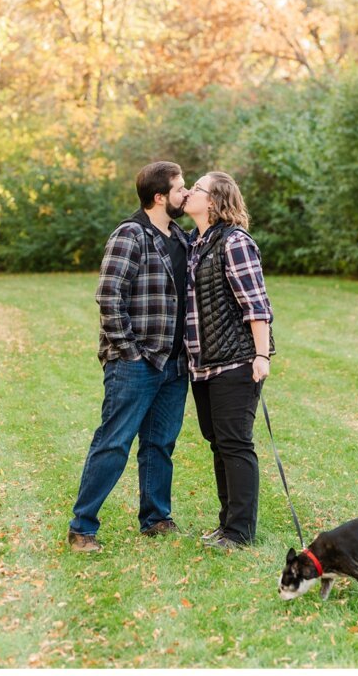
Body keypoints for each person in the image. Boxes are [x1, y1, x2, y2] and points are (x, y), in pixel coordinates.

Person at [67, 161, 191, 552]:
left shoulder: (181, 238)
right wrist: (130, 352)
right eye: (180, 188)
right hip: (135, 362)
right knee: (114, 442)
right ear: (160, 196)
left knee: (160, 443)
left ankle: (155, 518)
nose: (185, 194)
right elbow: (109, 295)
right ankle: (82, 527)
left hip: (174, 363)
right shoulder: (130, 235)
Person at [182, 171, 274, 550]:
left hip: (235, 360)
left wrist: (262, 355)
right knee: (218, 443)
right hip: (203, 365)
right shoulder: (196, 243)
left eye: (197, 189)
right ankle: (226, 524)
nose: (188, 192)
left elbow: (256, 304)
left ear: (215, 201)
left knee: (235, 443)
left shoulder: (234, 242)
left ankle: (240, 532)